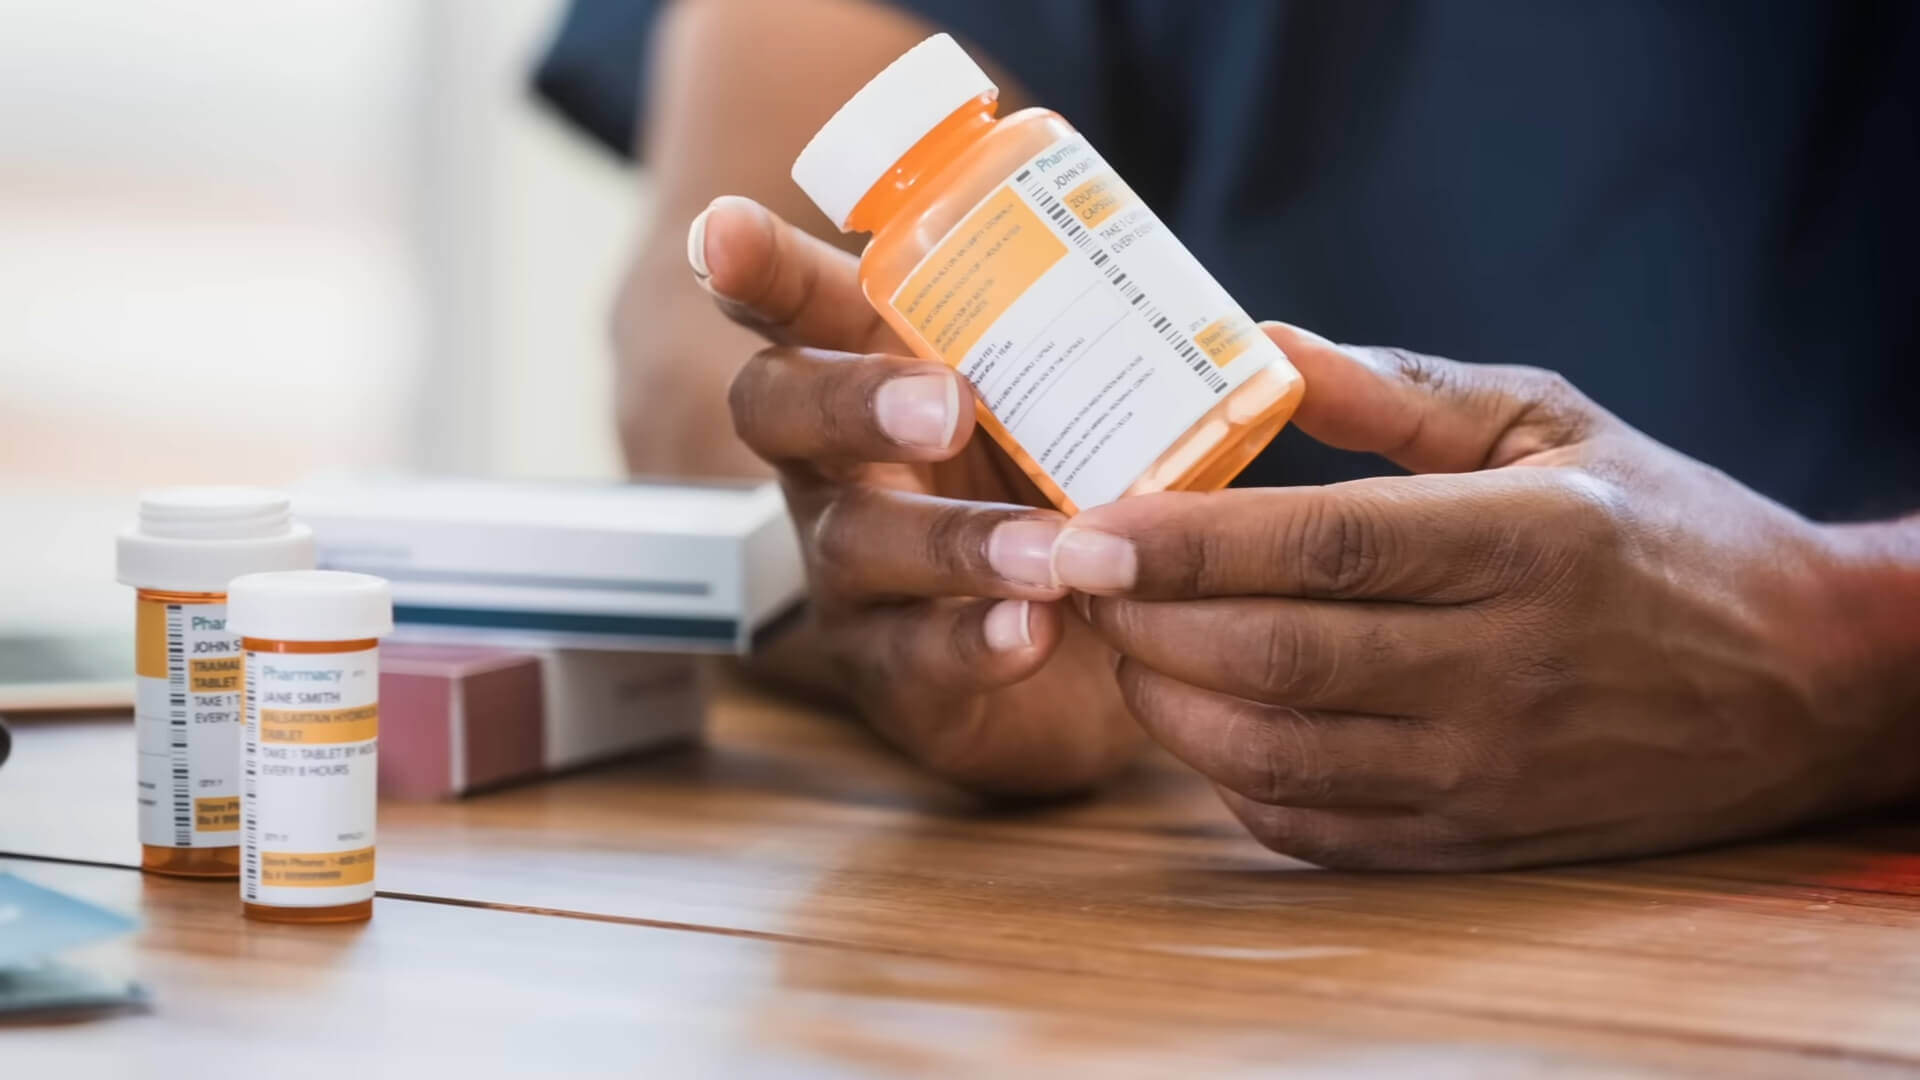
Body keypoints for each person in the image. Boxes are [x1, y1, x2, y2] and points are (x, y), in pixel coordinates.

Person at [536, 0, 1920, 868]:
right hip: (1203, 880)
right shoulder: (983, 185)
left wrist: (1850, 646)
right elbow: (705, 317)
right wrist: (910, 559)